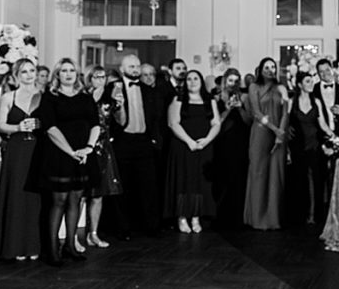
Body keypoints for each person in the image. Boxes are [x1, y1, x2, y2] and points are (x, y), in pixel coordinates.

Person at [35, 58, 100, 266]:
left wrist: (88, 148)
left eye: (72, 70)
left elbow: (95, 124)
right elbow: (50, 128)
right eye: (64, 71)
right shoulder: (50, 97)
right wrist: (71, 151)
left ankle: (70, 245)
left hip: (82, 155)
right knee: (58, 201)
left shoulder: (85, 97)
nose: (69, 74)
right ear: (57, 75)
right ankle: (53, 249)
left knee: (75, 200)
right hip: (59, 154)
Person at [106, 54, 163, 238]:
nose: (136, 70)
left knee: (149, 186)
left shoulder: (147, 90)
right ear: (122, 69)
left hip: (144, 142)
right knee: (123, 188)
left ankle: (151, 226)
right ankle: (122, 229)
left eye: (137, 66)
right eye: (131, 66)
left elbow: (155, 117)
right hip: (122, 142)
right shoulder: (112, 89)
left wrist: (154, 139)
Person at [0, 58, 42, 261]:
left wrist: (40, 123)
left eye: (32, 71)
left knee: (36, 197)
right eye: (24, 72)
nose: (29, 75)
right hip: (17, 149)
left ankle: (34, 245)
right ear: (16, 76)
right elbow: (0, 125)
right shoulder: (7, 98)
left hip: (39, 149)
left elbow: (52, 123)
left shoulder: (44, 97)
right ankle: (15, 245)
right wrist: (18, 128)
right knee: (17, 193)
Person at [166, 70, 220, 233]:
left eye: (195, 78)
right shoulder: (178, 99)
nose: (192, 81)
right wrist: (189, 141)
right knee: (183, 182)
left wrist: (206, 141)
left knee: (199, 183)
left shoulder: (209, 100)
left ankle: (196, 217)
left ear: (201, 81)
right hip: (183, 146)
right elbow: (173, 123)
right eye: (189, 79)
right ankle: (182, 217)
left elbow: (216, 123)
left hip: (203, 146)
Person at [287, 71, 338, 227]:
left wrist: (334, 136)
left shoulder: (316, 102)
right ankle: (299, 216)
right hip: (297, 144)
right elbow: (285, 121)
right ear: (300, 84)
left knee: (315, 179)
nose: (311, 84)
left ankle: (314, 215)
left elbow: (322, 124)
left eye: (311, 81)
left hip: (314, 144)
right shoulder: (291, 102)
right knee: (299, 179)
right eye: (307, 81)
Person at [244, 57, 289, 230]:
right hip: (261, 133)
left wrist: (281, 132)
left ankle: (273, 218)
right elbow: (255, 112)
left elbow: (285, 112)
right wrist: (274, 129)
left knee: (275, 175)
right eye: (267, 67)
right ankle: (257, 218)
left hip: (279, 133)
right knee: (259, 172)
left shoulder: (281, 88)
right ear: (260, 69)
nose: (270, 70)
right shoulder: (254, 87)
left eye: (273, 67)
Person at [83, 65, 122, 248]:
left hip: (104, 147)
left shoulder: (109, 99)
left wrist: (120, 104)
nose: (101, 80)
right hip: (86, 146)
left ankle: (94, 233)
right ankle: (76, 233)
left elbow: (122, 121)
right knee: (82, 194)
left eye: (103, 77)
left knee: (99, 194)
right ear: (89, 78)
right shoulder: (82, 97)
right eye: (97, 77)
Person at [211, 68, 251, 228]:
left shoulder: (244, 96)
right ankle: (221, 216)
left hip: (240, 143)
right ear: (224, 81)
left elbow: (249, 121)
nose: (233, 84)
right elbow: (216, 122)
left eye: (236, 81)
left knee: (239, 179)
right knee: (222, 179)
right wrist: (227, 108)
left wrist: (240, 107)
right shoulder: (216, 97)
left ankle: (238, 216)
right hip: (222, 143)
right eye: (230, 80)